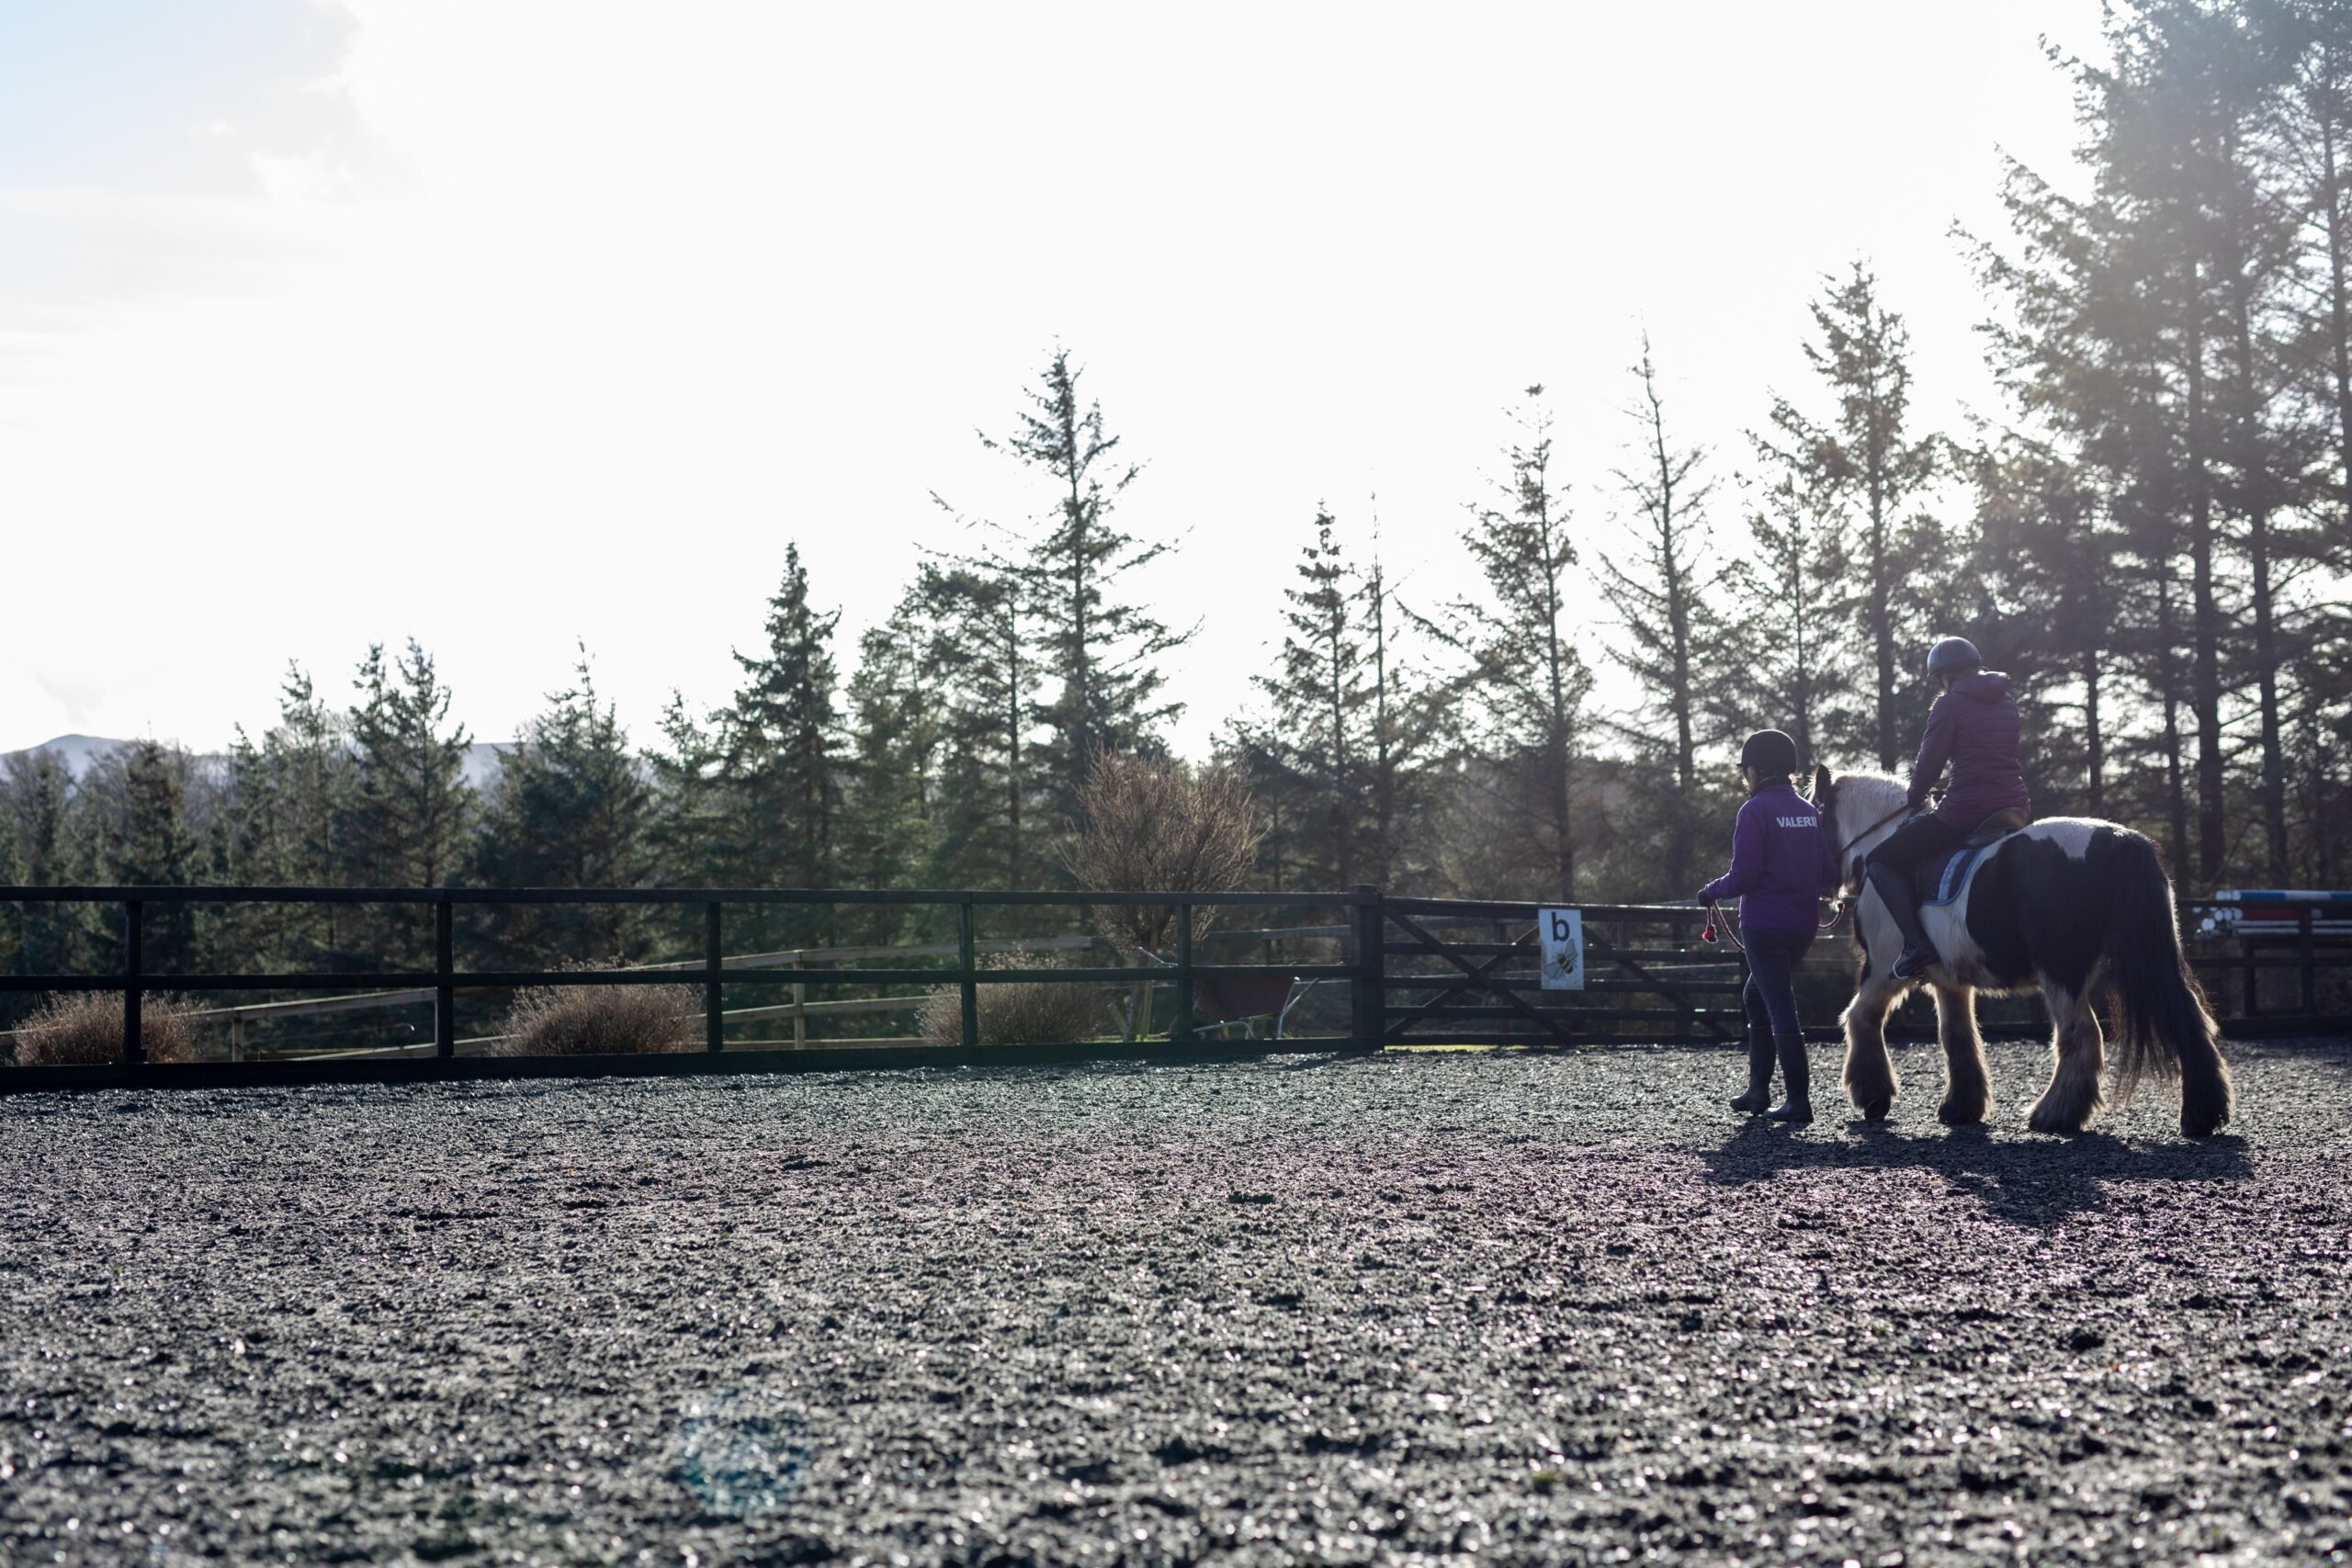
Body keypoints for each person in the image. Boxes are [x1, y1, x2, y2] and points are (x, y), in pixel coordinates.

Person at [1864, 636, 2032, 980]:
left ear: (1945, 676)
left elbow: (1929, 766)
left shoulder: (1949, 704)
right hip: (2015, 805)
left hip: (1968, 810)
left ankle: (1916, 945)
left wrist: (1915, 796)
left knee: (1879, 860)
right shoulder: (2007, 702)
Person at [1699, 729, 1838, 1124]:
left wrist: (1709, 892)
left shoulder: (1754, 811)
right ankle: (1758, 1091)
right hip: (1802, 926)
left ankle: (1798, 1100)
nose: (1746, 777)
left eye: (1747, 770)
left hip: (1764, 926)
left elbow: (1743, 876)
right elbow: (1828, 875)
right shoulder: (1810, 813)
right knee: (1756, 997)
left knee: (1779, 1006)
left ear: (1757, 770)